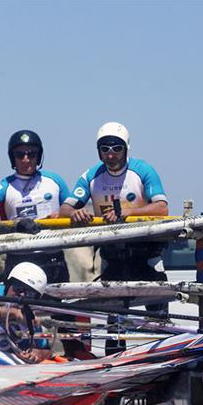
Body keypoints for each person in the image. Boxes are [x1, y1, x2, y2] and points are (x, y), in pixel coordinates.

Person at [59, 121, 170, 284]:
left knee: (156, 307)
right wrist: (75, 212)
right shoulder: (90, 176)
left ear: (126, 148)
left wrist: (127, 212)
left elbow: (162, 208)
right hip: (111, 257)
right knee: (114, 308)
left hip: (146, 254)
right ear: (99, 152)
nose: (111, 155)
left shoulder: (144, 170)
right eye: (105, 149)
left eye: (117, 149)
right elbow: (64, 210)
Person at [0, 130, 71, 283]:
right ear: (12, 157)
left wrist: (62, 214)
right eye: (19, 155)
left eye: (31, 154)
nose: (25, 159)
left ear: (38, 156)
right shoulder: (4, 186)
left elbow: (72, 209)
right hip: (18, 260)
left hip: (53, 259)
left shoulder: (55, 181)